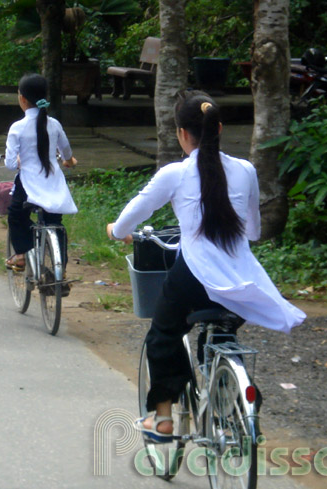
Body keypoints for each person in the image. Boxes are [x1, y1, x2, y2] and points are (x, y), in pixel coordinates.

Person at [106, 90, 306, 442]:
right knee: (223, 329)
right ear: (220, 129)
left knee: (164, 333)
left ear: (182, 133)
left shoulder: (175, 174)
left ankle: (164, 420)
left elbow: (132, 215)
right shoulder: (245, 170)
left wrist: (117, 231)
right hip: (242, 280)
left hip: (194, 277)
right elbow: (253, 231)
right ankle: (229, 390)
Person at [4, 73, 78, 275]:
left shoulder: (17, 128)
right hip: (53, 184)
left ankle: (20, 255)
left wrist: (21, 160)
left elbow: (10, 164)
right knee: (55, 223)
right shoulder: (54, 124)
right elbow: (67, 152)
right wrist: (69, 161)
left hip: (28, 185)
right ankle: (59, 271)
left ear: (22, 99)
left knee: (16, 215)